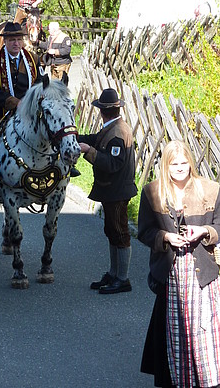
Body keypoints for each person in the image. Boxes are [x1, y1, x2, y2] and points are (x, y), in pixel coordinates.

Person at [138, 140, 220, 388]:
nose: (180, 168)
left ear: (191, 163)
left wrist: (204, 231)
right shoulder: (152, 192)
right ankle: (179, 380)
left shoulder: (210, 190)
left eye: (184, 163)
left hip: (203, 273)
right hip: (171, 275)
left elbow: (219, 225)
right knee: (176, 332)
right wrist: (166, 237)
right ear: (166, 165)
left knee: (204, 331)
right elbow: (144, 232)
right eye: (174, 164)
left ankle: (207, 380)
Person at [78, 88, 137, 294]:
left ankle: (122, 278)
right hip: (112, 190)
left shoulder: (117, 133)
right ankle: (114, 273)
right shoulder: (113, 127)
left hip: (117, 191)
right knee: (112, 230)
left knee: (120, 232)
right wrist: (75, 137)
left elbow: (113, 164)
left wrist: (89, 151)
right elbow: (96, 138)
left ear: (101, 111)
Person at [0, 21, 41, 128]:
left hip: (28, 110)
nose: (16, 43)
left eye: (19, 39)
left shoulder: (33, 59)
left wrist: (29, 103)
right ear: (4, 41)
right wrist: (15, 103)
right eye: (12, 40)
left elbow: (39, 84)